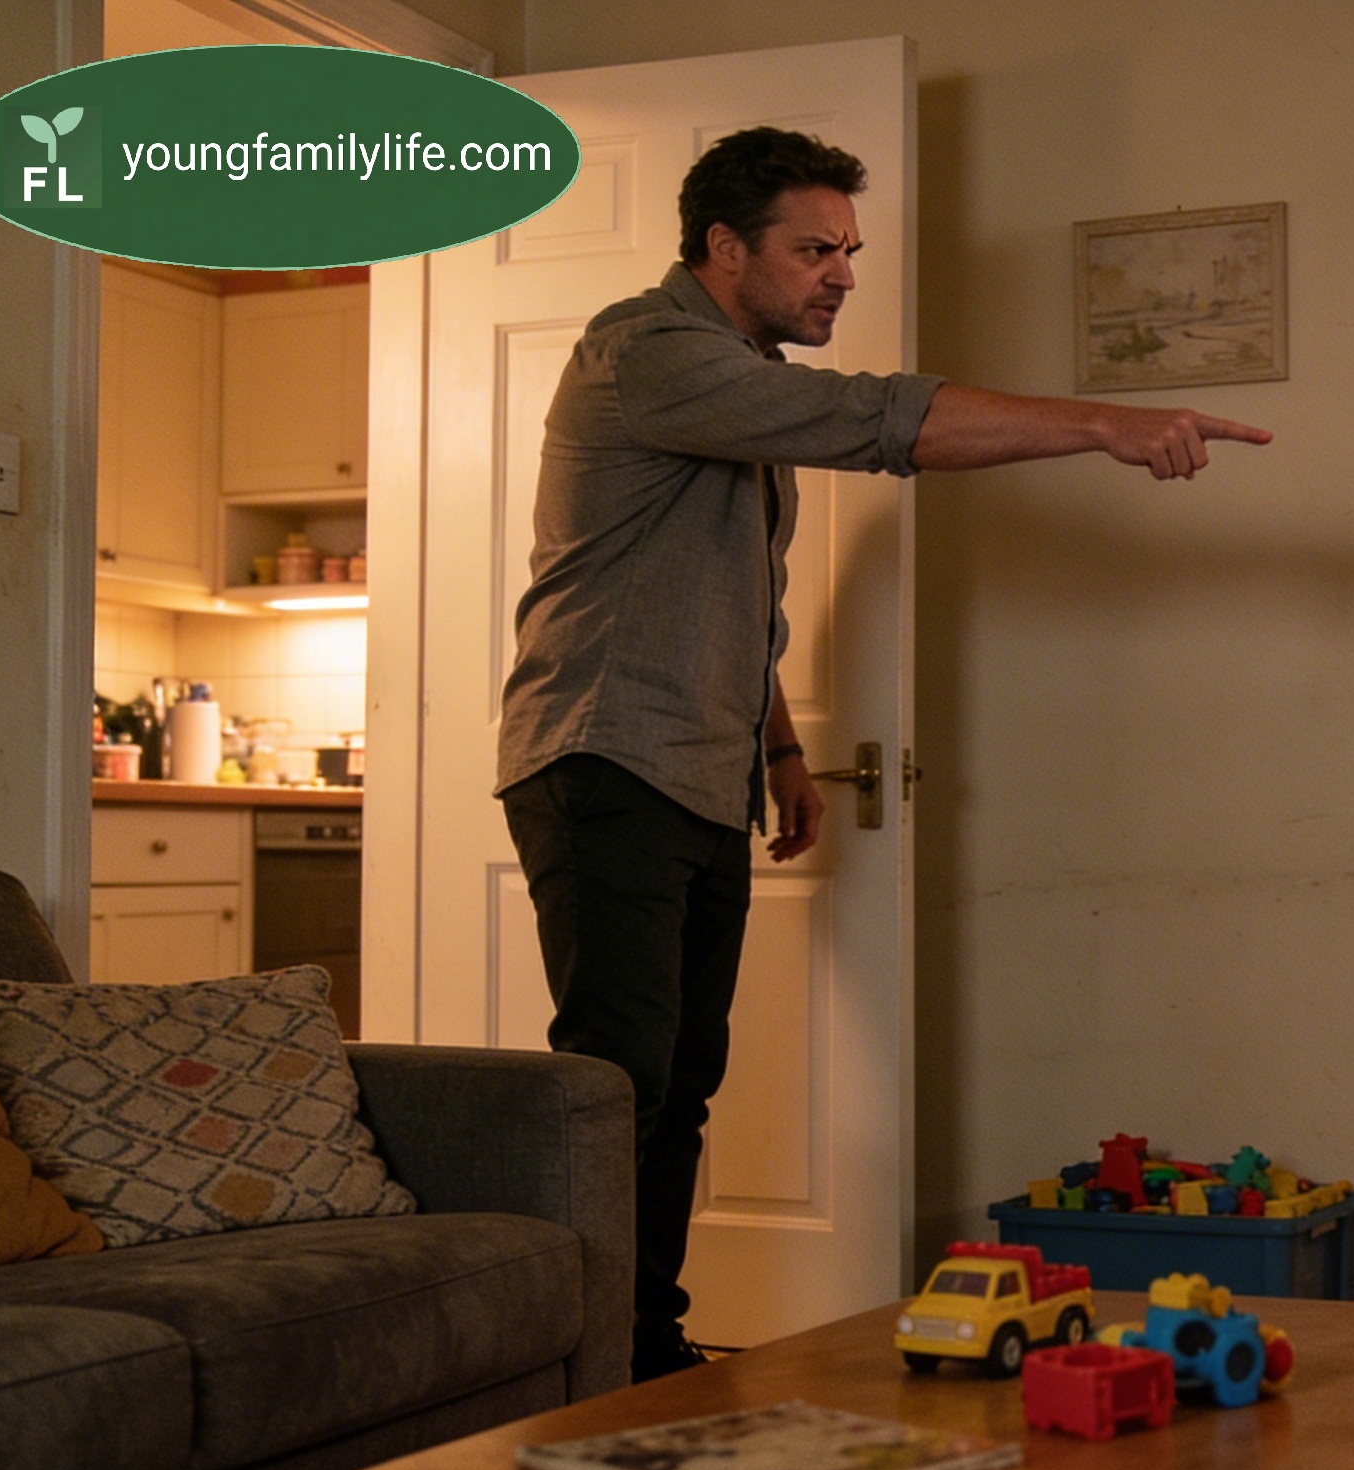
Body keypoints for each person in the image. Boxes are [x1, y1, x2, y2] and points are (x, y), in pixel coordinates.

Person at [495, 127, 1271, 1383]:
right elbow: (874, 420)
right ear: (723, 246)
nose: (842, 276)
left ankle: (642, 1342)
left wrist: (785, 754)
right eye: (814, 250)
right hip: (601, 757)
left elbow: (734, 595)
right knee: (616, 1085)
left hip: (696, 767)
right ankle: (583, 1359)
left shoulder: (729, 378)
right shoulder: (646, 354)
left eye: (848, 251)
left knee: (683, 1083)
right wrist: (1106, 426)